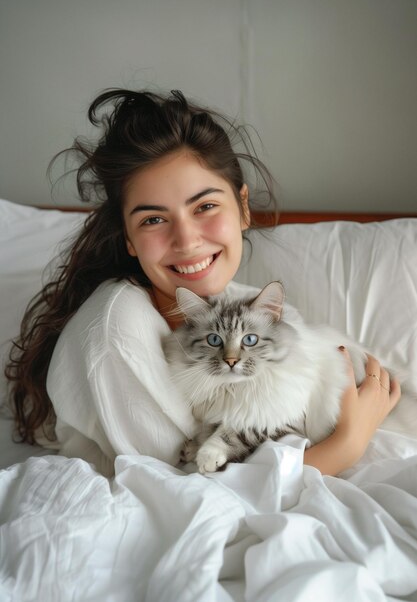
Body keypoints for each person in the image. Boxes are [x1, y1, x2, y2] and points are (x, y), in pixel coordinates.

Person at [5, 89, 401, 477]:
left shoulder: (232, 301)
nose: (187, 240)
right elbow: (185, 492)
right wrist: (348, 443)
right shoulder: (116, 332)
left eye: (205, 206)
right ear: (127, 236)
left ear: (243, 207)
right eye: (153, 219)